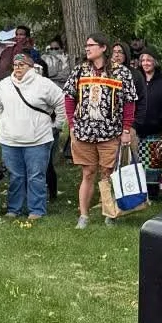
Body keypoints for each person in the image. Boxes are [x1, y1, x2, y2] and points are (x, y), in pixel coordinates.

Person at [63, 33, 138, 228]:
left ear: (103, 48)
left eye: (91, 45)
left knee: (107, 173)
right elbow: (69, 97)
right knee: (87, 173)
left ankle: (109, 213)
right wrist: (72, 125)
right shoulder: (80, 71)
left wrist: (126, 129)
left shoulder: (121, 72)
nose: (87, 49)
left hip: (110, 133)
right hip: (84, 133)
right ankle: (84, 216)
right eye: (86, 45)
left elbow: (129, 103)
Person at [0, 51, 65, 221]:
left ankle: (36, 210)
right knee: (15, 176)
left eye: (21, 65)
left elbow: (61, 102)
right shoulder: (5, 84)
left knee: (36, 176)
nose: (17, 68)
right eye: (15, 65)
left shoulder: (44, 84)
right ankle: (14, 209)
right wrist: (2, 119)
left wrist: (57, 124)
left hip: (38, 139)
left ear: (31, 67)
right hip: (10, 140)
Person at [132, 50, 162, 167]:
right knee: (137, 165)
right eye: (143, 60)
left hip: (156, 131)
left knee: (153, 165)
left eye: (148, 60)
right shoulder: (135, 79)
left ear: (155, 62)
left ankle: (153, 186)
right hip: (136, 130)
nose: (145, 63)